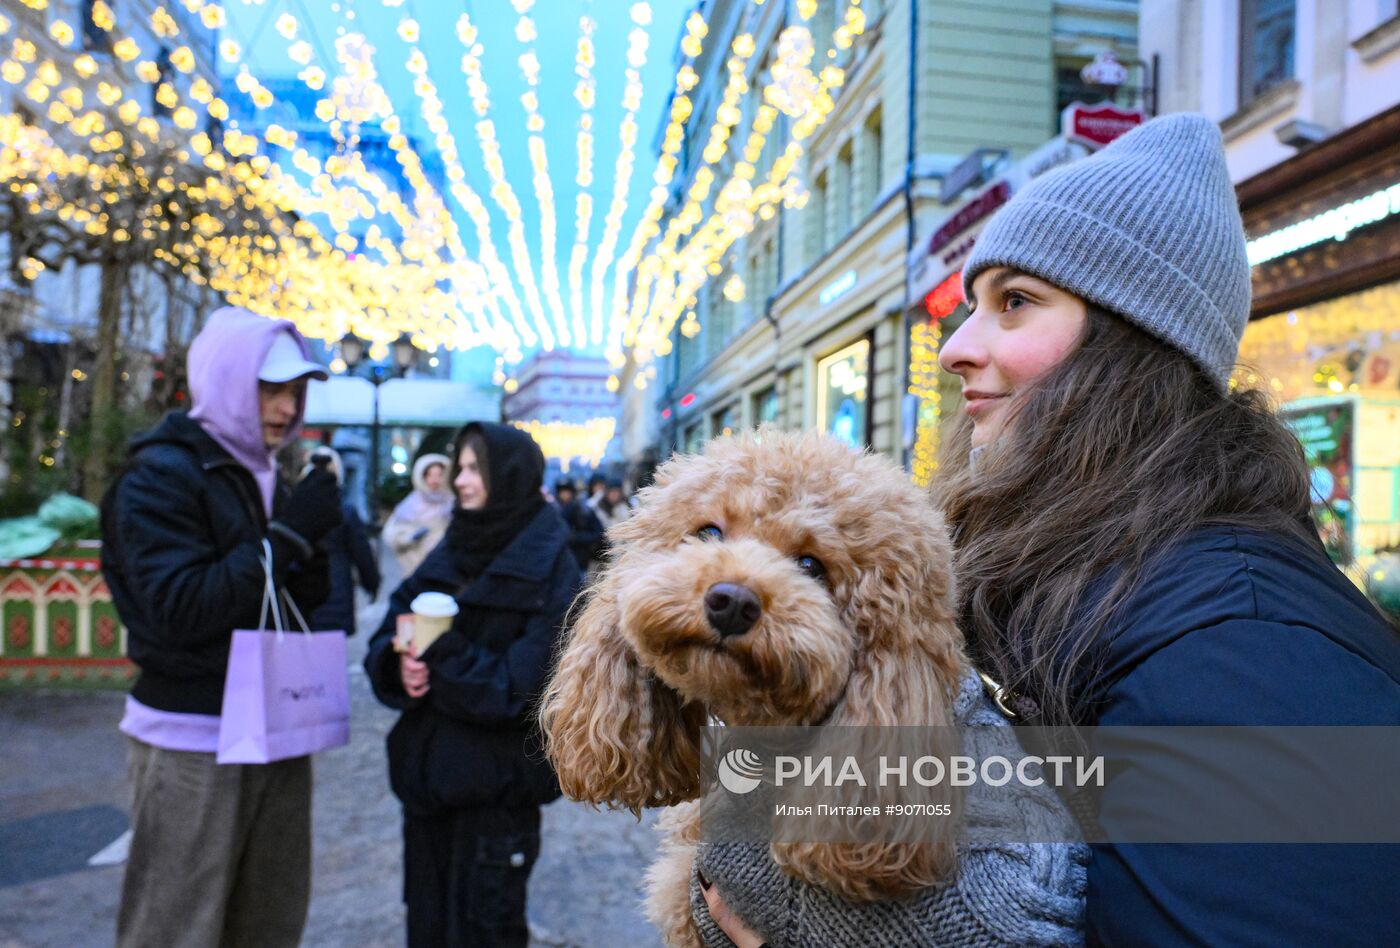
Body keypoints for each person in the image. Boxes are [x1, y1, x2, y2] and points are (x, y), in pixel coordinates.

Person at [702, 114, 1400, 946]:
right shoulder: (1045, 558)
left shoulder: (1251, 642)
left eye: (1016, 303)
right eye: (970, 306)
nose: (957, 347)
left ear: (1132, 346)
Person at [100, 307, 341, 947]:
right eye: (271, 388)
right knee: (176, 926)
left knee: (269, 921)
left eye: (296, 391)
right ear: (228, 378)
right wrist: (287, 539)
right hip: (192, 736)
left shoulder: (267, 473)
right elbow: (180, 608)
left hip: (276, 728)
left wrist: (319, 544)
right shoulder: (161, 473)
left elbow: (298, 601)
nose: (288, 408)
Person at [364, 422, 583, 947]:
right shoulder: (457, 541)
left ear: (507, 477)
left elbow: (518, 689)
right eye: (458, 467)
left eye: (471, 469)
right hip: (428, 789)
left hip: (495, 798)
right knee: (428, 930)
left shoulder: (553, 567)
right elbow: (391, 627)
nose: (459, 481)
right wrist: (400, 667)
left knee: (484, 934)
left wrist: (438, 651)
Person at [304, 446, 381, 635]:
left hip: (305, 597)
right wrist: (372, 583)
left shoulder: (294, 508)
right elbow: (361, 552)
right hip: (336, 592)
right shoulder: (346, 510)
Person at [382, 453, 454, 578]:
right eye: (429, 475)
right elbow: (391, 536)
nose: (434, 480)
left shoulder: (453, 503)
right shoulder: (409, 506)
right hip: (416, 573)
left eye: (439, 475)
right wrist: (411, 538)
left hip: (447, 573)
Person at [552, 477, 605, 573]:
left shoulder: (584, 510)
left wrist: (577, 537)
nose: (565, 495)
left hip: (580, 562)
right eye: (562, 492)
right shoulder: (552, 511)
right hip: (557, 563)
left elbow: (598, 533)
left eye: (567, 491)